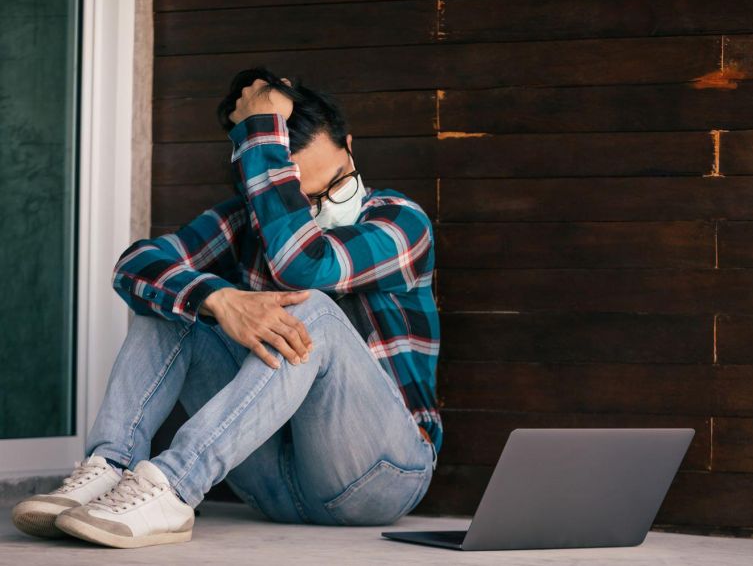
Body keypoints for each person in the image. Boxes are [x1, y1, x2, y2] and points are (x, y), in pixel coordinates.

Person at [11, 67, 441, 549]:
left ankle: (173, 488)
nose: (323, 206)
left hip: (382, 476)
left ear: (350, 146)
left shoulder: (400, 220)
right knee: (175, 300)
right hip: (271, 483)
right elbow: (134, 265)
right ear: (270, 186)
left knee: (311, 310)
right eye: (302, 199)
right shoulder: (249, 218)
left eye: (337, 184)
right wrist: (217, 299)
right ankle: (110, 468)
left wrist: (261, 132)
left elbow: (304, 265)